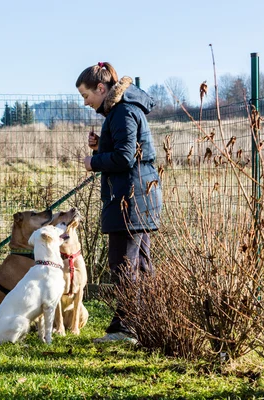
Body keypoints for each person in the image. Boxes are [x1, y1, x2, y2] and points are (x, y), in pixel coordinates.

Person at [76, 62, 162, 344]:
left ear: (101, 88)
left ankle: (126, 329)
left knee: (123, 264)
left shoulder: (123, 111)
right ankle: (145, 323)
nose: (86, 103)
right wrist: (101, 145)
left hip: (130, 199)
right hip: (138, 196)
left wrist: (94, 162)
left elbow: (126, 157)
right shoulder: (122, 110)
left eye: (87, 96)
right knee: (140, 265)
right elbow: (129, 150)